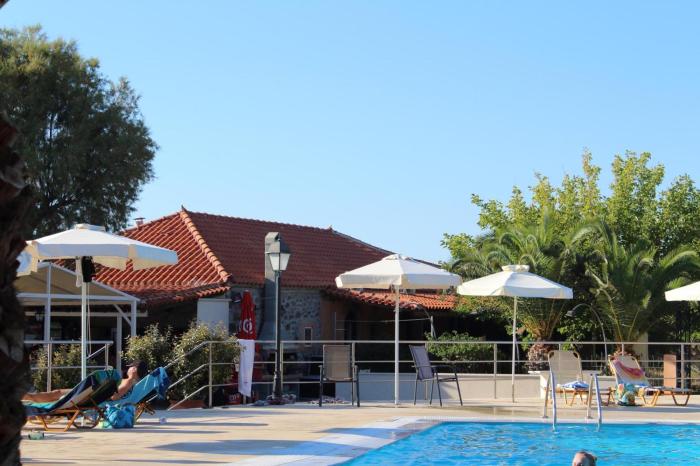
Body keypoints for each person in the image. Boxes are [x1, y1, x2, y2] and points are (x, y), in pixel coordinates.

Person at [23, 360, 148, 403]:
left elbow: (114, 397)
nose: (128, 368)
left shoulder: (128, 382)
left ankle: (27, 397)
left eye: (131, 366)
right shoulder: (130, 383)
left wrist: (103, 389)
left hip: (90, 397)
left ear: (134, 369)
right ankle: (28, 397)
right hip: (92, 395)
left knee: (57, 394)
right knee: (58, 393)